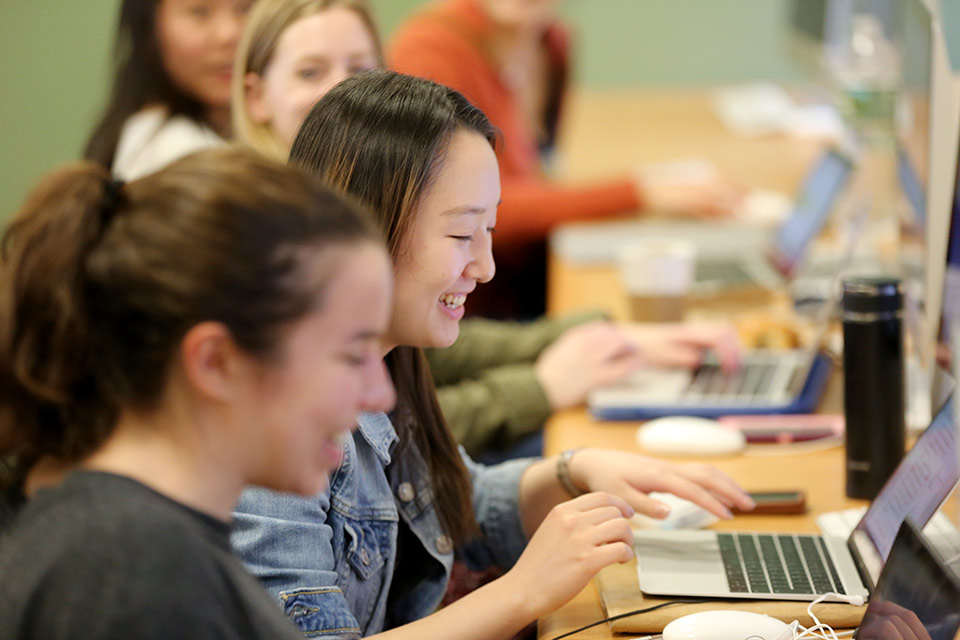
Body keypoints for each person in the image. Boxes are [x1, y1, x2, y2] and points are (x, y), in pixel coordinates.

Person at [231, 70, 755, 640]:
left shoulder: (388, 357)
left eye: (490, 229)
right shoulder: (271, 433)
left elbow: (451, 502)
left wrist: (571, 473)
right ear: (363, 225)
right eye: (461, 236)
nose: (485, 267)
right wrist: (523, 591)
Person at [231, 0, 741, 461]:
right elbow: (394, 421)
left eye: (359, 68)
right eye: (309, 71)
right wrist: (541, 386)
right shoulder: (265, 254)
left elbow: (440, 362)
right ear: (256, 95)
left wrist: (608, 340)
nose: (337, 90)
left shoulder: (551, 46)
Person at [0, 147, 396, 638]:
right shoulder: (132, 570)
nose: (382, 396)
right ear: (216, 363)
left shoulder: (147, 547)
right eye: (353, 356)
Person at [388, 0, 745, 318]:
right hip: (467, 306)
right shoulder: (429, 51)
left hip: (519, 277)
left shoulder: (553, 42)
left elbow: (538, 175)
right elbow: (458, 207)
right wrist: (638, 192)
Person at [83, 0, 252, 180]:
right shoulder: (172, 150)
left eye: (246, 8)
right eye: (199, 12)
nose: (228, 34)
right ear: (148, 28)